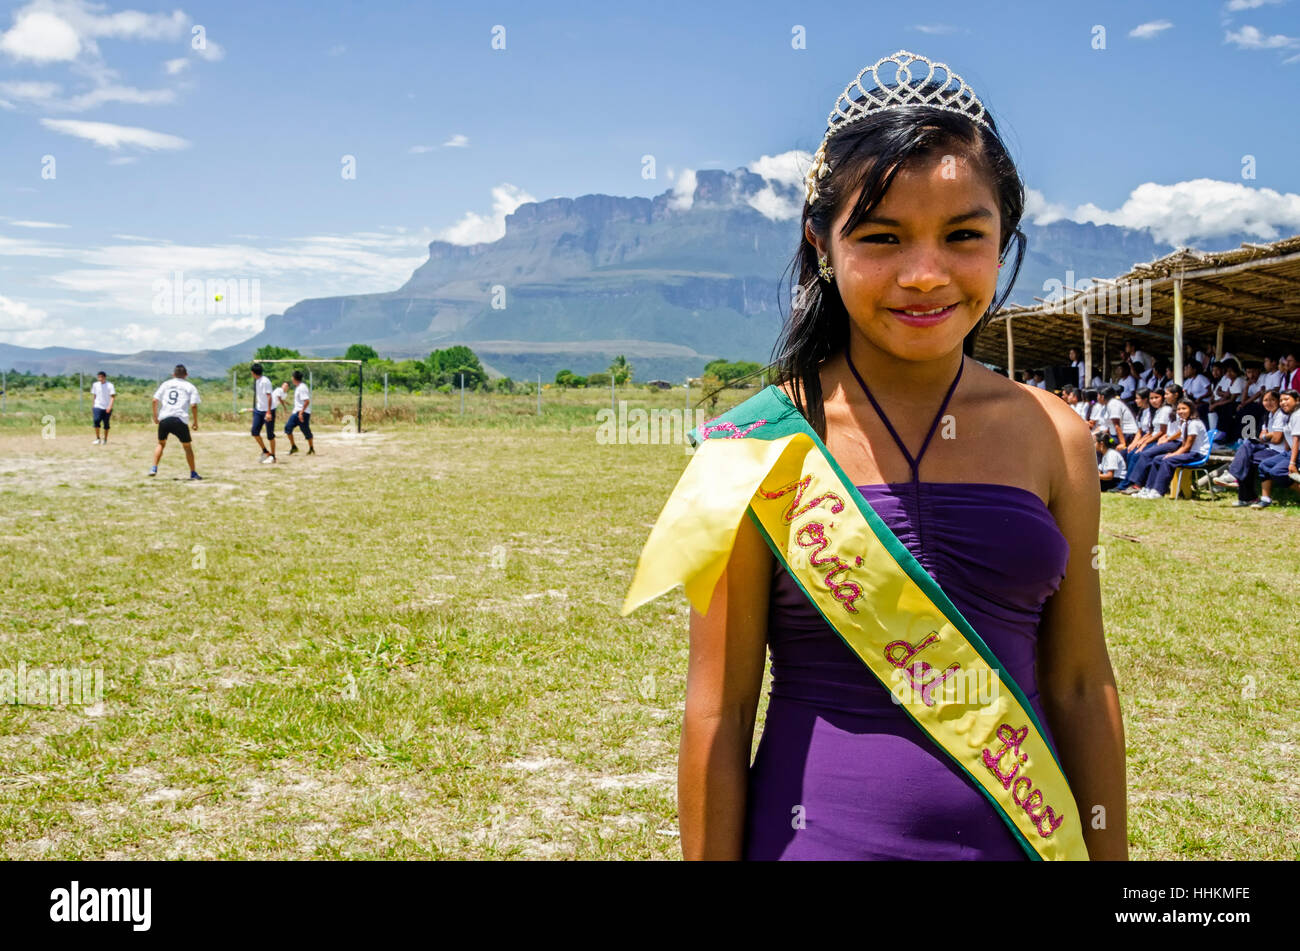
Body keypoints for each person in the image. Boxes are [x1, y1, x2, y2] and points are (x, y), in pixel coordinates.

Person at [636, 51, 1124, 861]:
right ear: (822, 245)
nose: (924, 273)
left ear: (1005, 240)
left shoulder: (1056, 435)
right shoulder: (752, 447)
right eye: (881, 237)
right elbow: (717, 714)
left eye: (963, 235)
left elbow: (1079, 682)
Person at [1214, 388, 1287, 506]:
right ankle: (1245, 493)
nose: (1268, 403)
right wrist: (1267, 436)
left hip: (1279, 451)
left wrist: (1266, 436)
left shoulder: (1281, 415)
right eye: (1265, 400)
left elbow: (1277, 439)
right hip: (1269, 448)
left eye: (1272, 400)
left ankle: (1242, 489)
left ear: (1278, 401)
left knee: (1246, 458)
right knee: (1247, 447)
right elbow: (1262, 435)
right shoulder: (1268, 415)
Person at [1134, 398, 1209, 499]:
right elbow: (1183, 444)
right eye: (1179, 409)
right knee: (1157, 459)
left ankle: (1158, 491)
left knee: (1168, 460)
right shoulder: (1185, 423)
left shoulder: (1194, 423)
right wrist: (1175, 453)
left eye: (1184, 409)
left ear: (1191, 409)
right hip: (1189, 452)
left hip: (1197, 454)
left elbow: (1187, 446)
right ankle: (1149, 488)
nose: (1181, 411)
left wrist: (1173, 454)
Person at [1119, 384, 1184, 495]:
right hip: (1167, 439)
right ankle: (1141, 485)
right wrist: (1142, 441)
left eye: (1166, 394)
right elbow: (1159, 431)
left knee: (1144, 454)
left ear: (1175, 395)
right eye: (1152, 398)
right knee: (1133, 454)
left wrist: (1167, 438)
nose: (1153, 401)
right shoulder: (1165, 410)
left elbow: (1180, 430)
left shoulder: (1172, 409)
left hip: (1176, 442)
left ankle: (1137, 484)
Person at [149, 364, 202, 479]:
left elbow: (154, 400)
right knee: (187, 446)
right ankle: (193, 472)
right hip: (179, 419)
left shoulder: (166, 384)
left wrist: (155, 416)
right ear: (186, 375)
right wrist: (195, 421)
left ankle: (154, 467)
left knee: (161, 443)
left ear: (173, 374)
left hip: (165, 418)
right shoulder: (190, 387)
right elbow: (193, 405)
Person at [1254, 389, 1300, 508]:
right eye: (1281, 400)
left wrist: (1292, 462)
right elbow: (1287, 438)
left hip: (1297, 453)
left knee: (1277, 472)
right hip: (1290, 452)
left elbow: (1296, 440)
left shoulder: (1298, 415)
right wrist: (1285, 454)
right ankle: (1265, 499)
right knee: (1264, 466)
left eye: (1286, 399)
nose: (1283, 402)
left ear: (1297, 400)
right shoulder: (1289, 415)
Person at [249, 362, 277, 463]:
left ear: (253, 372)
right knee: (254, 431)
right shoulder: (257, 381)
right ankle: (265, 451)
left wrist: (269, 412)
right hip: (259, 410)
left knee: (270, 435)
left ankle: (273, 456)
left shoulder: (265, 381)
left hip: (268, 411)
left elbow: (269, 397)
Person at [284, 369, 315, 455]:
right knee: (288, 428)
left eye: (292, 377)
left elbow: (307, 401)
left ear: (294, 378)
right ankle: (294, 447)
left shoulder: (302, 387)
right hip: (296, 412)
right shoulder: (298, 387)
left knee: (305, 431)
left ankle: (311, 448)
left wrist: (301, 413)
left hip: (303, 413)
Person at [90, 370, 115, 445]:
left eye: (101, 377)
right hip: (97, 406)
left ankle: (105, 439)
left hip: (107, 407)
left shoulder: (110, 385)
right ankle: (98, 438)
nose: (100, 378)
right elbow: (94, 395)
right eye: (98, 377)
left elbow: (112, 397)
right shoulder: (95, 385)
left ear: (104, 377)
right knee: (96, 420)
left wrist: (110, 406)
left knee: (106, 424)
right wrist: (93, 405)